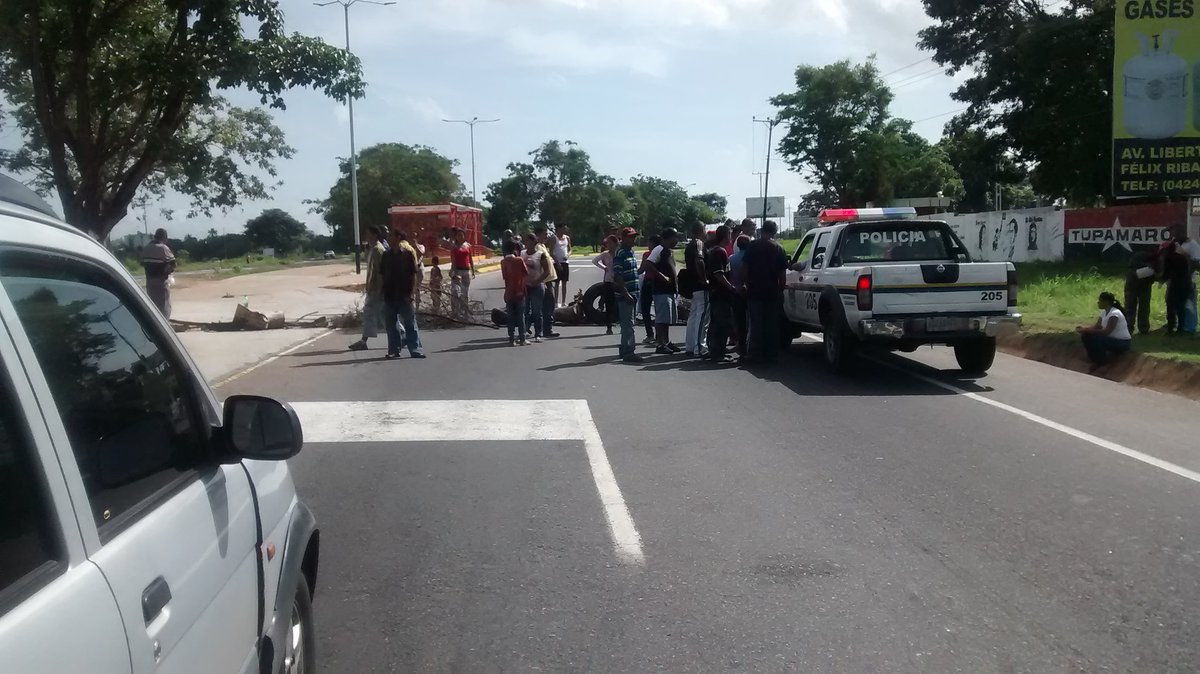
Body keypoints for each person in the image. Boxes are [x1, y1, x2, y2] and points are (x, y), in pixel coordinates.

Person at [741, 220, 788, 364]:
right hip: (772, 291)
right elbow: (782, 273)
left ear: (762, 231)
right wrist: (781, 288)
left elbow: (745, 267)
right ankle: (771, 354)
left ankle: (755, 353)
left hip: (755, 290)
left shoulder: (753, 246)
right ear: (774, 232)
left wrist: (746, 283)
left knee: (756, 323)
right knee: (771, 324)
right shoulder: (779, 248)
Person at [380, 229, 426, 359]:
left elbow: (413, 275)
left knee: (410, 323)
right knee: (391, 325)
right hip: (389, 294)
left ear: (398, 237)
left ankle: (415, 349)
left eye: (391, 236)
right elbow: (382, 274)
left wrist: (411, 292)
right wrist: (382, 291)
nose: (389, 238)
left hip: (404, 294)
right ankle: (394, 350)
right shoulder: (386, 255)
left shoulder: (407, 254)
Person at [641, 227, 681, 355]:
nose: (677, 240)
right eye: (675, 237)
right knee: (661, 319)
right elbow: (648, 264)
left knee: (667, 319)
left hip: (669, 290)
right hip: (661, 289)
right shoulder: (659, 249)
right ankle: (660, 344)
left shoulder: (668, 251)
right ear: (669, 238)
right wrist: (662, 276)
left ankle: (666, 342)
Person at [349, 225, 387, 351]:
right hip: (373, 288)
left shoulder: (378, 250)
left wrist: (380, 289)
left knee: (380, 314)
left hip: (377, 289)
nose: (366, 236)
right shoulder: (372, 249)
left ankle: (402, 334)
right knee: (374, 314)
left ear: (375, 235)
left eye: (368, 234)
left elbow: (381, 272)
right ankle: (363, 340)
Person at [705, 225, 738, 363]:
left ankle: (714, 350)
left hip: (717, 293)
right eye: (730, 234)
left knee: (716, 323)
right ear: (726, 236)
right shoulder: (720, 252)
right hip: (720, 293)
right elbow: (719, 274)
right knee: (721, 323)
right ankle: (718, 352)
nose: (731, 237)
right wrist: (731, 287)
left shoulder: (716, 251)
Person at [612, 227, 644, 363]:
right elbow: (617, 276)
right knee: (628, 325)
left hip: (634, 293)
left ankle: (625, 348)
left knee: (630, 323)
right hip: (626, 294)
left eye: (634, 236)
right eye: (630, 237)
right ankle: (628, 352)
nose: (633, 239)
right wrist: (626, 293)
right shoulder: (620, 253)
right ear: (623, 238)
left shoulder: (630, 251)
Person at [1076, 292, 1132, 365]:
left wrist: (1086, 330)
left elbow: (1106, 332)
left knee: (1097, 339)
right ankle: (1093, 359)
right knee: (1086, 336)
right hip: (1111, 340)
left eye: (1100, 301)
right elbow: (1097, 326)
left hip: (1122, 342)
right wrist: (1084, 330)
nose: (1098, 302)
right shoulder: (1103, 312)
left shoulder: (1115, 313)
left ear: (1106, 302)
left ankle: (1101, 362)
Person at [683, 222, 710, 357]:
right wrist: (704, 279)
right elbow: (699, 260)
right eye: (705, 229)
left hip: (692, 284)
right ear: (701, 230)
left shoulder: (690, 244)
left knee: (694, 315)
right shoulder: (699, 243)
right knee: (702, 315)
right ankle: (700, 347)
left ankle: (690, 345)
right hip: (699, 285)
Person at [1123, 244, 1159, 336]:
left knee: (1131, 307)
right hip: (1138, 284)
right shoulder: (1149, 257)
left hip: (1135, 283)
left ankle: (1129, 328)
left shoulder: (1137, 256)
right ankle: (1142, 328)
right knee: (1142, 307)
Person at [522, 233, 551, 342]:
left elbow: (546, 271)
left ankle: (538, 334)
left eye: (528, 241)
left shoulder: (540, 254)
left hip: (537, 286)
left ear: (534, 242)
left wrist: (536, 281)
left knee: (536, 311)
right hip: (525, 286)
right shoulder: (522, 253)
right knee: (525, 311)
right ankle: (524, 331)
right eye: (525, 241)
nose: (526, 243)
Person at [141, 228, 176, 317]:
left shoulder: (147, 248)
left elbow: (144, 263)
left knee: (153, 304)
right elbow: (173, 264)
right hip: (161, 282)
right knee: (164, 305)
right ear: (164, 237)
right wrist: (168, 272)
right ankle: (164, 324)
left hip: (149, 281)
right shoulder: (163, 248)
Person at [534, 226, 561, 337]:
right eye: (545, 234)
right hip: (544, 281)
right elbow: (538, 265)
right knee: (547, 306)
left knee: (548, 305)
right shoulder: (537, 248)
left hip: (549, 280)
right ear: (538, 235)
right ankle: (546, 329)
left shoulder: (543, 246)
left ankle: (544, 328)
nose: (546, 236)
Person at [501, 240, 529, 346]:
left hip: (509, 292)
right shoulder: (519, 260)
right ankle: (522, 338)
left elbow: (505, 277)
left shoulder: (503, 262)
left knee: (511, 317)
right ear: (515, 249)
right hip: (519, 292)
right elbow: (525, 273)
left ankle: (511, 339)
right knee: (520, 316)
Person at [1162, 239, 1192, 334]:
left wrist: (1160, 278)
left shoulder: (1169, 259)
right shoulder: (1183, 258)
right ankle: (1180, 328)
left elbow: (1167, 273)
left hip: (1175, 285)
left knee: (1170, 305)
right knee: (1181, 307)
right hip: (1186, 284)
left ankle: (1171, 327)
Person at [729, 234, 752, 357]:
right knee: (750, 319)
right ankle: (749, 344)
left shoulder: (731, 258)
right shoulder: (752, 258)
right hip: (749, 291)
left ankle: (740, 343)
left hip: (736, 291)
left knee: (739, 320)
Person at [592, 235, 619, 335]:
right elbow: (594, 261)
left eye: (611, 243)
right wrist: (604, 267)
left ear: (616, 244)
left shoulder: (619, 253)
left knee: (619, 302)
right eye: (608, 243)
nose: (609, 245)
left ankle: (620, 321)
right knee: (609, 303)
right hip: (608, 280)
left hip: (619, 280)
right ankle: (609, 326)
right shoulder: (605, 254)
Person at [449, 228, 476, 318]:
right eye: (458, 235)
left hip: (466, 271)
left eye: (462, 235)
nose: (460, 237)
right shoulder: (454, 247)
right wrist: (453, 271)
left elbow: (470, 259)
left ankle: (465, 312)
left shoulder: (468, 246)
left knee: (465, 293)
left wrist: (473, 270)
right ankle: (456, 311)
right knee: (456, 292)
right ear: (456, 237)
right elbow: (453, 261)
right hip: (458, 271)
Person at [640, 235, 661, 345]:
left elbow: (642, 269)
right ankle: (659, 336)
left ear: (653, 244)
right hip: (659, 283)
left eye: (649, 243)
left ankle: (650, 334)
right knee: (659, 310)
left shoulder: (647, 254)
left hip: (648, 282)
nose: (648, 245)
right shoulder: (662, 253)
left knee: (645, 309)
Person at [552, 223, 572, 307]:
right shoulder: (554, 238)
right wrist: (557, 263)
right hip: (557, 262)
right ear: (559, 229)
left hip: (565, 263)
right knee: (556, 283)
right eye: (564, 228)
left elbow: (570, 249)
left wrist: (567, 255)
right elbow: (551, 252)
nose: (565, 230)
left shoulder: (567, 238)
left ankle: (563, 301)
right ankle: (556, 302)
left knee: (564, 283)